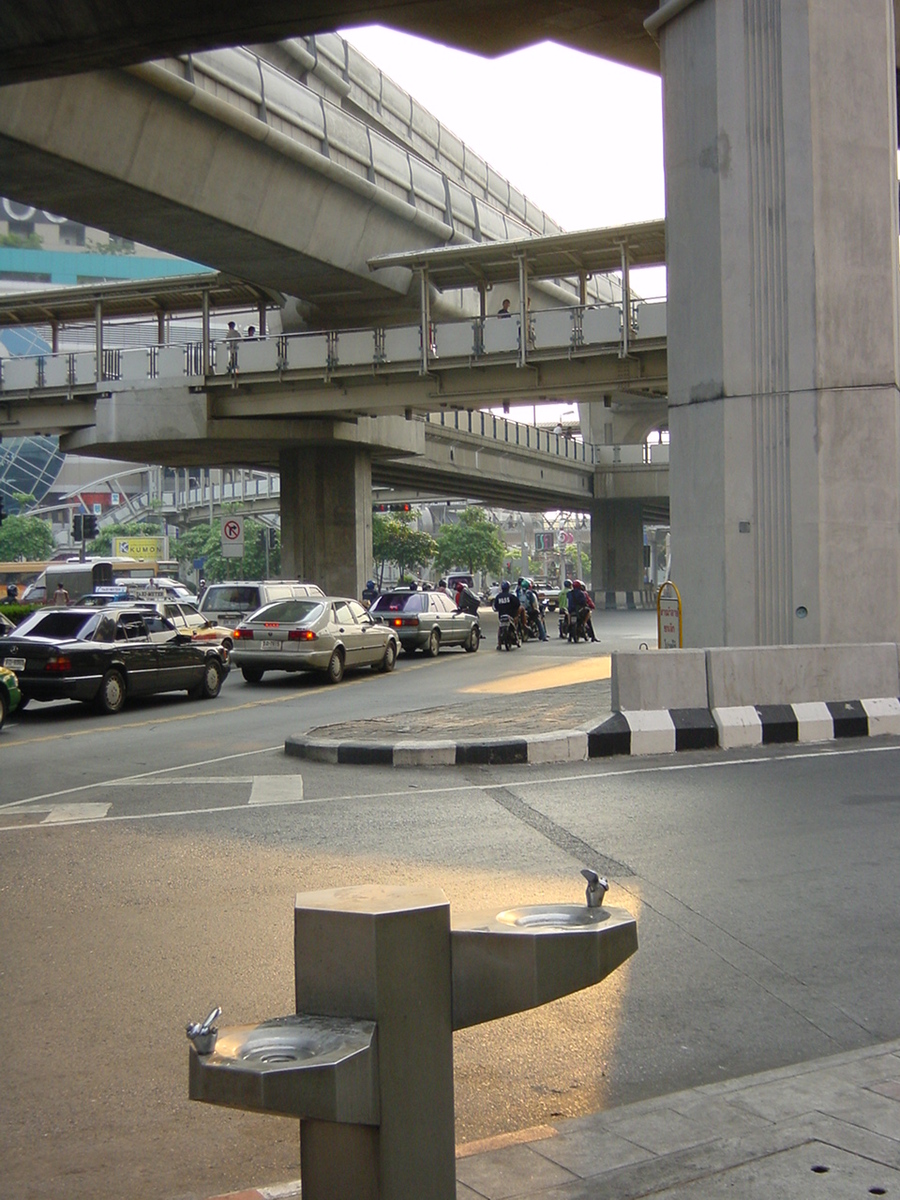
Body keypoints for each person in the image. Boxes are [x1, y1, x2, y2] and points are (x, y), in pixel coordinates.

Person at [492, 580, 520, 648]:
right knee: (515, 626)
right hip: (511, 616)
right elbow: (517, 604)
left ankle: (499, 644)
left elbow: (496, 606)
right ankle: (517, 640)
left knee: (500, 628)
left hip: (501, 616)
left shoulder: (498, 597)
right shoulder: (511, 596)